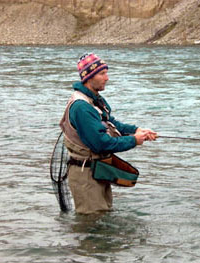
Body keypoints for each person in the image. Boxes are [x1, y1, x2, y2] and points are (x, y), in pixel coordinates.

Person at [60, 53, 157, 214]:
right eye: (102, 73)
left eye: (106, 72)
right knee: (91, 223)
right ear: (89, 77)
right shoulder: (81, 107)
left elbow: (110, 122)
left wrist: (136, 130)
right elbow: (101, 143)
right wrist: (134, 140)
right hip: (85, 175)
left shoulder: (94, 100)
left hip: (97, 171)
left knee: (102, 216)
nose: (107, 78)